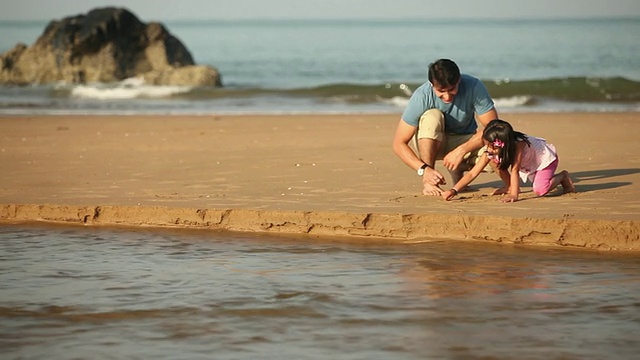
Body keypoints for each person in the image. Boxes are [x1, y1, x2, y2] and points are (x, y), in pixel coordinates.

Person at [393, 58, 499, 196]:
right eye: (441, 91)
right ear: (432, 85)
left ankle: (458, 171)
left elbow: (493, 128)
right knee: (432, 116)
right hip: (432, 141)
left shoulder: (473, 86)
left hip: (464, 141)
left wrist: (460, 151)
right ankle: (429, 182)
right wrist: (424, 169)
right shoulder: (422, 95)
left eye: (452, 89)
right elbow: (398, 144)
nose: (447, 96)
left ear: (459, 80)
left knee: (497, 152)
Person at [442, 119, 575, 202]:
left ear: (504, 144)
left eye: (493, 146)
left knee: (540, 190)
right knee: (494, 160)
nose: (489, 149)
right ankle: (508, 186)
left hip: (544, 160)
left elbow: (515, 170)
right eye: (487, 144)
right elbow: (472, 173)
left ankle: (563, 176)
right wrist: (454, 190)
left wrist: (514, 195)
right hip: (528, 164)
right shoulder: (490, 150)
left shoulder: (519, 145)